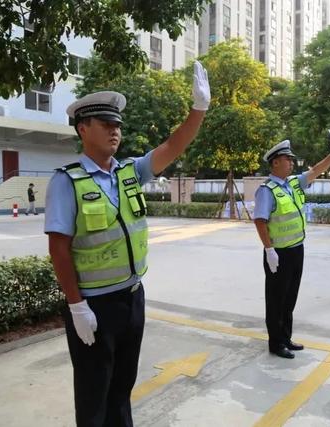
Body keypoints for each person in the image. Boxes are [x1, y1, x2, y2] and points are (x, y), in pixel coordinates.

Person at [44, 62, 210, 425]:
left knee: (122, 387)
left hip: (132, 297)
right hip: (94, 305)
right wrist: (76, 307)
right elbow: (59, 248)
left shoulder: (129, 171)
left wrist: (198, 111)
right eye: (106, 124)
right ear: (83, 128)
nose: (115, 131)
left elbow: (172, 146)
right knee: (93, 393)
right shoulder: (66, 181)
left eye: (117, 125)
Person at [253, 131, 330, 359]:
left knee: (290, 297)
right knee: (276, 299)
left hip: (296, 249)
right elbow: (260, 220)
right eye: (287, 159)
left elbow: (315, 171)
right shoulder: (266, 190)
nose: (292, 163)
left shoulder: (292, 184)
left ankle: (286, 337)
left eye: (292, 160)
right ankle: (276, 343)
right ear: (275, 163)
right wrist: (269, 249)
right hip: (278, 253)